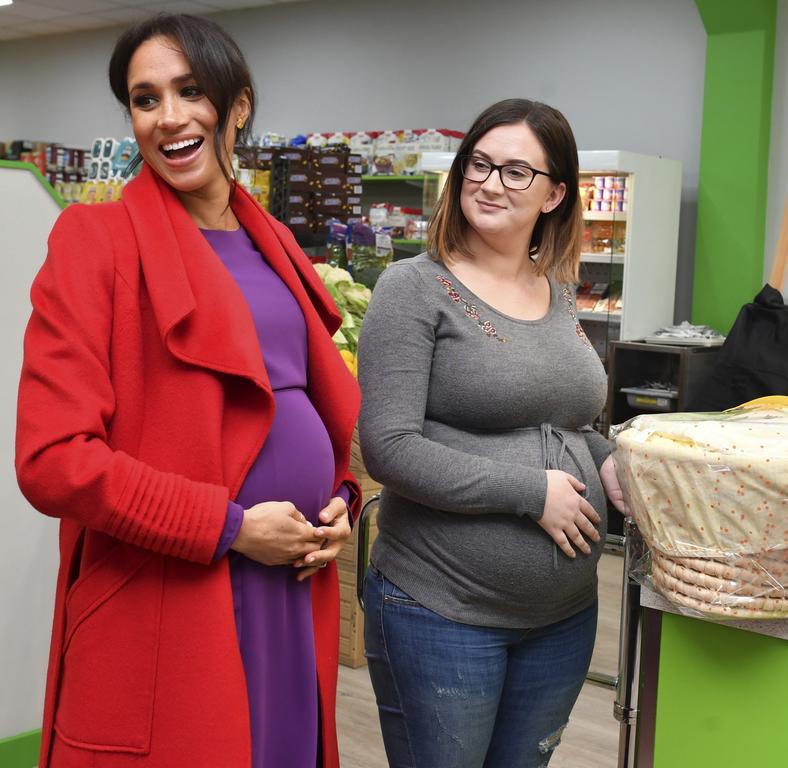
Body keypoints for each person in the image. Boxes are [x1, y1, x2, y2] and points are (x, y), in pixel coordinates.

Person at [15, 14, 360, 768]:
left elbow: (310, 407)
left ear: (237, 106)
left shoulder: (272, 239)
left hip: (291, 592)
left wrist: (339, 502)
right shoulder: (93, 243)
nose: (168, 117)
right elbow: (52, 459)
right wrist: (230, 527)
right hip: (175, 595)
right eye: (145, 99)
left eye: (191, 90)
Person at [357, 98, 628, 768]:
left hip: (563, 616)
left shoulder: (557, 290)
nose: (489, 182)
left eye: (515, 171)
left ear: (556, 193)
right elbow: (386, 448)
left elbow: (563, 424)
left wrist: (612, 464)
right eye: (478, 164)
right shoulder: (413, 290)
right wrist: (530, 493)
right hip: (441, 612)